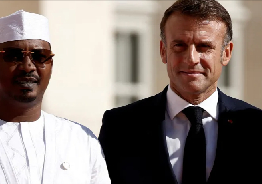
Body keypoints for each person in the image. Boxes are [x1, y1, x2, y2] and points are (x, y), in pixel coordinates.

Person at [99, 0, 262, 184]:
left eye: (204, 47)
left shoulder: (256, 128)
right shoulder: (121, 127)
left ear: (226, 53)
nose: (191, 59)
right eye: (179, 46)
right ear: (163, 51)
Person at [0, 10, 110, 184]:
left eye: (40, 57)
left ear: (51, 65)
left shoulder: (81, 140)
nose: (28, 67)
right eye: (14, 56)